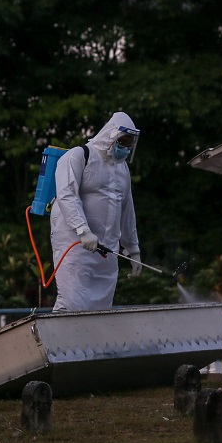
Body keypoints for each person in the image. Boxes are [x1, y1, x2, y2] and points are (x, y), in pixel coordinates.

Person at [51, 112, 142, 312]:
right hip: (75, 247)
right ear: (111, 135)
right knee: (72, 304)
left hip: (107, 251)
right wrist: (83, 230)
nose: (126, 147)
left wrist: (132, 249)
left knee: (101, 309)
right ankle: (61, 342)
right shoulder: (79, 155)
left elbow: (126, 210)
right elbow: (66, 195)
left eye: (130, 143)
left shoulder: (122, 169)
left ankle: (89, 344)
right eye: (123, 141)